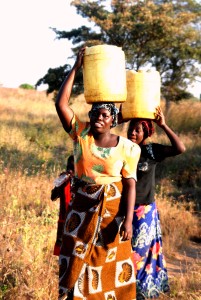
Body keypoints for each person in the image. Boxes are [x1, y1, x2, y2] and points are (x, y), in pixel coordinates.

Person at [55, 47, 141, 300]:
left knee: (107, 263)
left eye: (104, 115)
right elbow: (61, 103)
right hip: (81, 210)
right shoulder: (81, 135)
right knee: (73, 258)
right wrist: (76, 67)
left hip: (112, 217)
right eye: (95, 114)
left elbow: (131, 185)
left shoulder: (128, 148)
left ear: (113, 119)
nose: (98, 118)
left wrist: (127, 220)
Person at [126, 107, 186, 299]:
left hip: (144, 211)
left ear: (146, 132)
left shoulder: (151, 151)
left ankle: (141, 292)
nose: (133, 133)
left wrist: (164, 125)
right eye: (131, 129)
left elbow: (180, 148)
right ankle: (126, 290)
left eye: (137, 130)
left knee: (140, 253)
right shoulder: (122, 149)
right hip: (124, 209)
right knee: (125, 252)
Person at [51, 155, 74, 256]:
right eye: (68, 167)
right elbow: (53, 197)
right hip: (64, 218)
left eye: (72, 168)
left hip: (77, 220)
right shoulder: (64, 179)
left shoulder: (84, 180)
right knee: (63, 252)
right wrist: (59, 184)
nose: (70, 170)